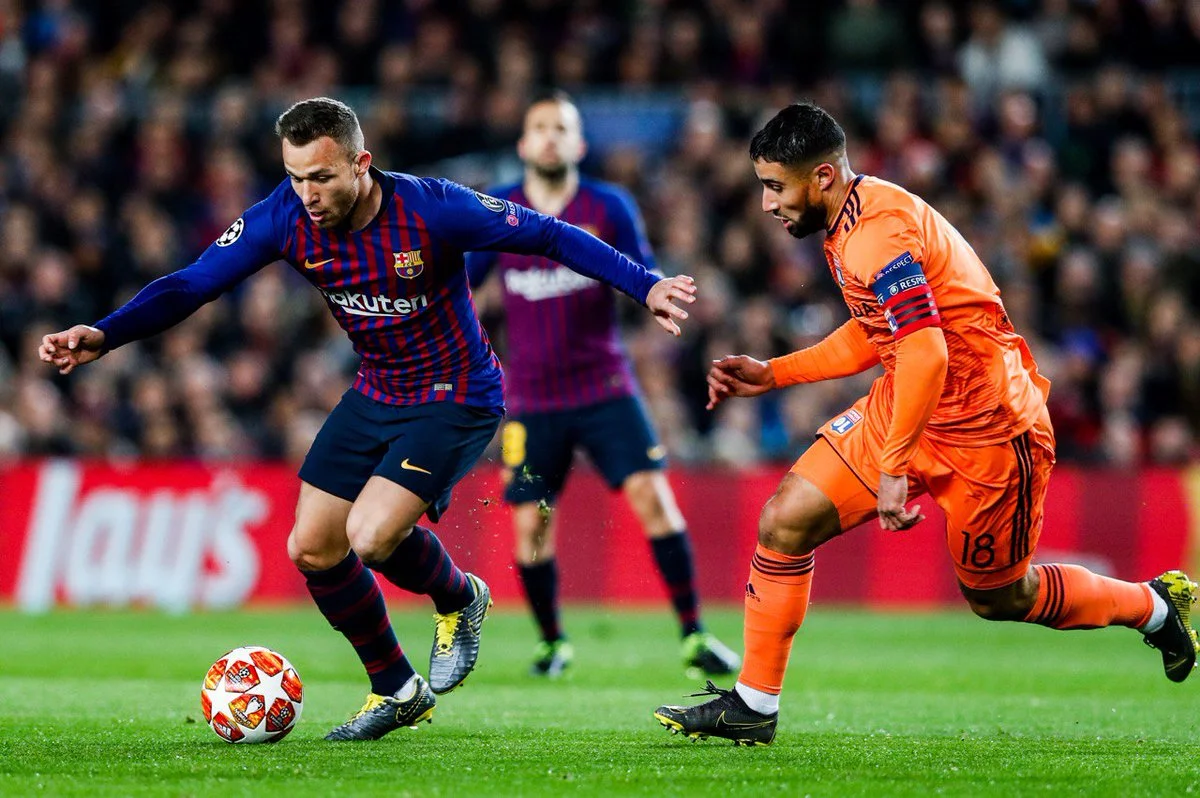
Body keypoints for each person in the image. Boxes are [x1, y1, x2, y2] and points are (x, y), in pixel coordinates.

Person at [38, 96, 698, 741]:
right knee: (311, 548)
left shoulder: (434, 208)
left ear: (361, 164)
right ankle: (397, 688)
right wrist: (106, 333)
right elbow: (192, 283)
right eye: (296, 177)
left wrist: (645, 285)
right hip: (377, 390)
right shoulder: (282, 216)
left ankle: (459, 596)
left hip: (457, 393)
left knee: (371, 536)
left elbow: (548, 234)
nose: (307, 194)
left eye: (322, 177)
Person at [653, 102, 1199, 747]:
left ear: (822, 176)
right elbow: (878, 332)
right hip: (910, 402)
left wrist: (893, 467)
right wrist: (775, 373)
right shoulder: (850, 220)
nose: (767, 203)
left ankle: (1155, 607)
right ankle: (754, 704)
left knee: (1001, 597)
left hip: (989, 430)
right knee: (785, 521)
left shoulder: (876, 233)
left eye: (775, 186)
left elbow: (926, 352)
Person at [466, 92, 739, 679]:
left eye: (561, 128)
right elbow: (465, 280)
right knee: (530, 523)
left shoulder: (608, 205)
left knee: (654, 499)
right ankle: (551, 644)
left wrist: (656, 294)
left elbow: (639, 267)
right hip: (531, 398)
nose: (550, 137)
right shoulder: (500, 209)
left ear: (579, 144)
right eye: (540, 127)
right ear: (523, 144)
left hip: (605, 386)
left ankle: (694, 633)